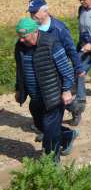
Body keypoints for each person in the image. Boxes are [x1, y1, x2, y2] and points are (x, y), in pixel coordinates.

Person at [14, 18, 77, 161]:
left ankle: (51, 165)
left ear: (35, 32)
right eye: (19, 37)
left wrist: (67, 90)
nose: (21, 40)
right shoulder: (20, 46)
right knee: (40, 125)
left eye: (24, 37)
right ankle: (67, 136)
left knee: (50, 131)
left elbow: (67, 70)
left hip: (53, 96)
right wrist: (19, 89)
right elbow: (20, 70)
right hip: (35, 97)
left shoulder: (51, 43)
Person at [28, 0, 86, 126]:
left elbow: (70, 49)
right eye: (30, 12)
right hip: (40, 69)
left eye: (34, 12)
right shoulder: (32, 28)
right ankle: (45, 124)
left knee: (60, 97)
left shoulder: (58, 28)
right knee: (43, 96)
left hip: (57, 70)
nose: (32, 16)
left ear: (45, 11)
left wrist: (78, 68)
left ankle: (75, 109)